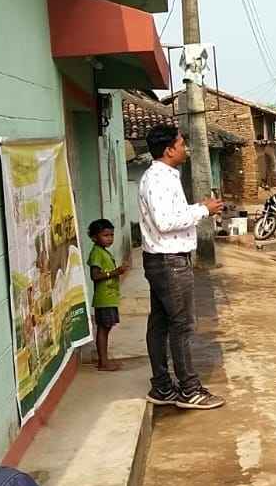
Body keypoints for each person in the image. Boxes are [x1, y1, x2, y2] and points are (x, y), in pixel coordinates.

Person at [138, 124, 226, 410]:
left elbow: (170, 214)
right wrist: (202, 210)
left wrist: (197, 208)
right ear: (169, 150)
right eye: (181, 144)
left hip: (163, 259)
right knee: (182, 325)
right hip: (169, 261)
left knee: (161, 323)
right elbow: (165, 222)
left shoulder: (163, 176)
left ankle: (162, 387)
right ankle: (189, 389)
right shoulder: (158, 179)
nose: (185, 148)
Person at [88, 219, 129, 372]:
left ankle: (103, 360)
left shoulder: (103, 252)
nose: (110, 238)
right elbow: (95, 275)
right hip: (103, 298)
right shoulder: (96, 253)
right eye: (105, 235)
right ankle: (103, 362)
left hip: (109, 297)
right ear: (94, 237)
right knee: (103, 329)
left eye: (111, 235)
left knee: (106, 327)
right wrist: (115, 272)